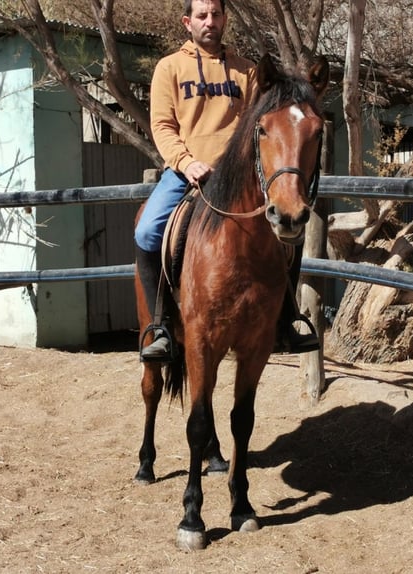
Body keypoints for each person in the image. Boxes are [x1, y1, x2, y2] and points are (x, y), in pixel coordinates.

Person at [135, 0, 319, 361]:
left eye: (216, 15)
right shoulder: (168, 68)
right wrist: (186, 162)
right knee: (147, 231)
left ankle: (287, 318)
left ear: (224, 19)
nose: (210, 22)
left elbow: (258, 128)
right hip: (185, 173)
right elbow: (162, 126)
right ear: (188, 22)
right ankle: (159, 326)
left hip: (236, 176)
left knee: (288, 230)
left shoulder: (247, 72)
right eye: (202, 16)